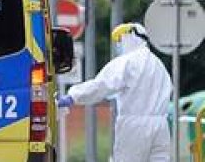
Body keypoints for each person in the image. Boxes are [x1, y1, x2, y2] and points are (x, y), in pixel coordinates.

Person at [57, 22, 172, 162]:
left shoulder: (127, 62)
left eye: (120, 40)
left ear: (130, 38)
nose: (119, 45)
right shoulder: (158, 64)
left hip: (134, 126)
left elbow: (101, 85)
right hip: (161, 126)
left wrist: (72, 97)